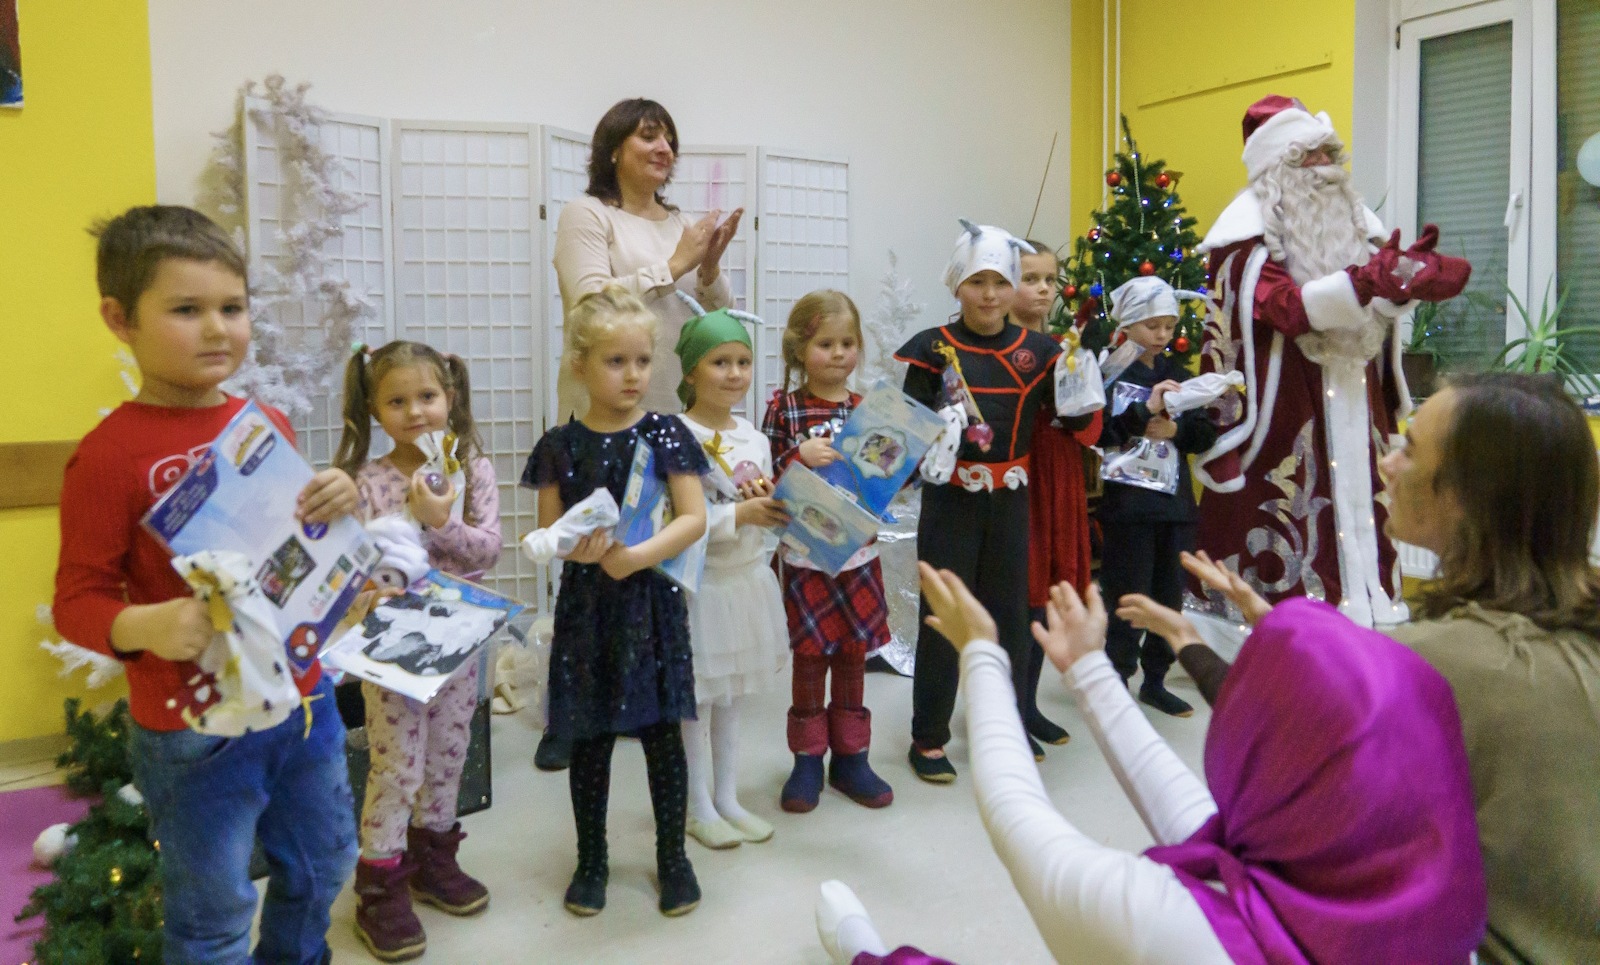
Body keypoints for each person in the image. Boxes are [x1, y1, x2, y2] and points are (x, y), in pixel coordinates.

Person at [1123, 372, 1600, 964]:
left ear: (1465, 493)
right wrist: (1279, 634)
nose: (1386, 464)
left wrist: (1187, 643)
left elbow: (1285, 740)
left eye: (1409, 450)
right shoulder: (1570, 633)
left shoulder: (1439, 663)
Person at [813, 565, 1486, 964]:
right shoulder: (1437, 907)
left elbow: (1020, 823)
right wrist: (1089, 670)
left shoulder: (1168, 928)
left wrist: (982, 653)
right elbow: (1202, 828)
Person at [53, 205, 362, 964]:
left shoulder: (266, 423)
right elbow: (77, 601)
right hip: (194, 729)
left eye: (233, 307)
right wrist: (147, 626)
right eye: (187, 310)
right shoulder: (107, 456)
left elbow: (297, 541)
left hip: (303, 699)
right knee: (213, 914)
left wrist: (338, 497)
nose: (218, 329)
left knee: (324, 864)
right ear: (120, 319)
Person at [1191, 94, 1470, 630]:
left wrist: (1404, 285)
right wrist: (1365, 283)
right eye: (1309, 157)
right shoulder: (1243, 239)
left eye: (1330, 155)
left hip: (1356, 396)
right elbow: (1286, 309)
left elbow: (1374, 309)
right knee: (1295, 515)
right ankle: (1283, 639)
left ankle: (1369, 615)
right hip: (1289, 405)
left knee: (1367, 503)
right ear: (1277, 168)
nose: (1325, 169)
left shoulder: (1358, 226)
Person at [542, 97, 739, 772]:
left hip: (671, 416)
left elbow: (718, 316)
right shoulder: (587, 214)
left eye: (669, 139)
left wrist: (707, 268)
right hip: (599, 418)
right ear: (613, 148)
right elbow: (590, 304)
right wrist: (676, 262)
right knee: (589, 561)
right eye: (648, 136)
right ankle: (567, 716)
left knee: (655, 565)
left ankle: (645, 700)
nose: (664, 149)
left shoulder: (683, 225)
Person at [522, 284, 709, 917]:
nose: (632, 375)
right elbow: (550, 534)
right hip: (588, 610)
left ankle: (673, 857)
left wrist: (635, 557)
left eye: (642, 361)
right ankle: (592, 859)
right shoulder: (559, 444)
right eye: (615, 361)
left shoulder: (666, 434)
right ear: (580, 365)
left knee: (662, 733)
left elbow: (694, 519)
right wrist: (575, 550)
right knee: (590, 734)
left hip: (651, 605)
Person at [334, 341, 502, 960]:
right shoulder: (365, 482)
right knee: (397, 764)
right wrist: (367, 600)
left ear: (449, 398)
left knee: (449, 753)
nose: (415, 412)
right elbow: (350, 572)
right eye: (397, 401)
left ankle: (433, 859)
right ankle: (379, 883)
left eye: (427, 396)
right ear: (374, 410)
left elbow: (488, 551)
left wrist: (439, 520)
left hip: (458, 641)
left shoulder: (472, 470)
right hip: (394, 652)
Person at [895, 221, 1065, 781]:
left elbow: (1075, 422)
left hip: (1011, 504)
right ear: (956, 285)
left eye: (1000, 282)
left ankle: (1006, 725)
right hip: (950, 504)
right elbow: (905, 432)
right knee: (943, 616)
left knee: (1009, 618)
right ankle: (929, 736)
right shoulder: (931, 349)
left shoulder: (1042, 351)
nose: (989, 294)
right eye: (976, 282)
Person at [763, 289, 895, 813]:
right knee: (811, 655)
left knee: (853, 654)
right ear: (800, 349)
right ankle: (807, 759)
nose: (838, 353)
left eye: (847, 343)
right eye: (825, 344)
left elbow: (884, 480)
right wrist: (798, 455)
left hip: (858, 555)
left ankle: (852, 757)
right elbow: (764, 479)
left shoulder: (868, 410)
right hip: (805, 553)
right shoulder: (784, 408)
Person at [672, 305, 789, 849]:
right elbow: (671, 521)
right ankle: (696, 806)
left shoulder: (754, 436)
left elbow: (759, 499)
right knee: (697, 700)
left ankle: (727, 797)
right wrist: (737, 516)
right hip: (700, 586)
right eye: (720, 362)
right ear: (690, 371)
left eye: (743, 361)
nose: (735, 373)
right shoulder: (675, 434)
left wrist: (773, 508)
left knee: (732, 697)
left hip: (746, 581)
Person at [1095, 277, 1217, 717]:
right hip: (1127, 510)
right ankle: (1115, 680)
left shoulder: (1180, 375)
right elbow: (1099, 433)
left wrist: (1176, 430)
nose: (1162, 334)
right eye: (1152, 326)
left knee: (1169, 596)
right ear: (1127, 324)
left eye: (1169, 325)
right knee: (1128, 595)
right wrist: (1141, 415)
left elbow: (1204, 433)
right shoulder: (1109, 374)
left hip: (1175, 509)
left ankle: (1156, 681)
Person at [1011, 240, 1099, 752]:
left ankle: (1028, 705)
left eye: (1049, 279)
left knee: (1047, 591)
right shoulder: (1003, 347)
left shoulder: (1067, 346)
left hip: (1059, 471)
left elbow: (1089, 425)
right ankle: (1010, 711)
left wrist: (1081, 397)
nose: (1043, 289)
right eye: (1030, 278)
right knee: (1020, 593)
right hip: (1023, 472)